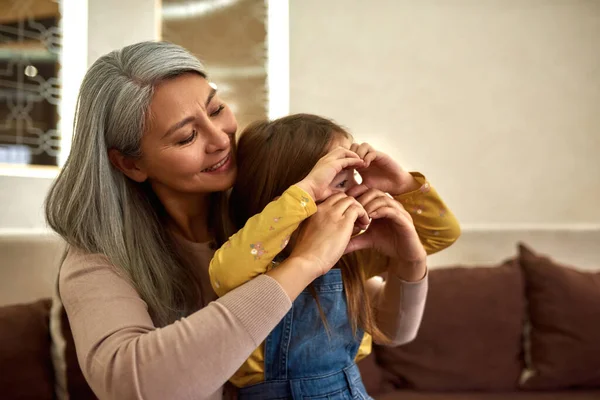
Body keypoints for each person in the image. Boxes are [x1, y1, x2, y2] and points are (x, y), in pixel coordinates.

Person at [45, 41, 460, 400]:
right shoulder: (97, 259)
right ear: (130, 164)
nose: (221, 138)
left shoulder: (266, 209)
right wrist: (303, 264)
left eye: (217, 108)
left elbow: (391, 328)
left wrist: (411, 262)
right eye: (187, 136)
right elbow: (133, 385)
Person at [208, 114, 460, 398]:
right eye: (339, 183)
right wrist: (304, 194)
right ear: (288, 196)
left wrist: (401, 185)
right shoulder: (252, 262)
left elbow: (442, 234)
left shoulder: (349, 254)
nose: (356, 194)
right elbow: (225, 273)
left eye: (355, 178)